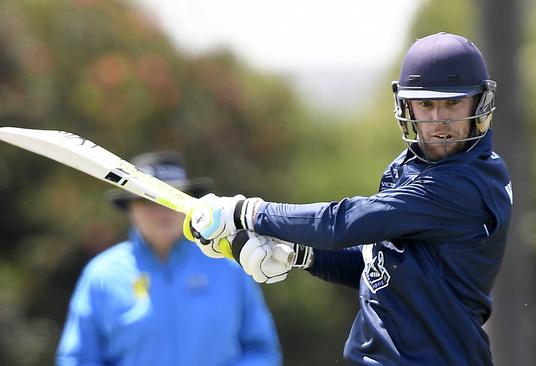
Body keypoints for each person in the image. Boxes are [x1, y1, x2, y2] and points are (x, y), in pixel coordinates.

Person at [185, 32, 513, 366]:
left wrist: (248, 213)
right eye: (426, 104)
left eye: (453, 102)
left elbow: (342, 223)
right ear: (407, 106)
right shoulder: (410, 168)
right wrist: (303, 255)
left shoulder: (466, 184)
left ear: (479, 102)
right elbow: (382, 268)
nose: (439, 120)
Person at [56, 151, 282, 366]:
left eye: (172, 198)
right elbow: (78, 357)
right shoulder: (102, 274)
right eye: (149, 200)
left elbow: (261, 351)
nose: (163, 211)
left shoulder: (229, 268)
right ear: (130, 209)